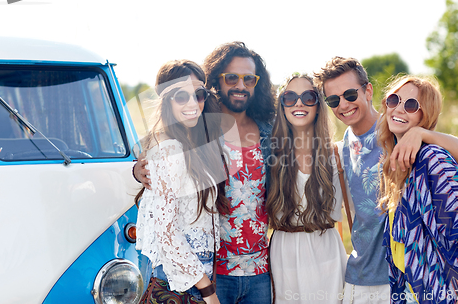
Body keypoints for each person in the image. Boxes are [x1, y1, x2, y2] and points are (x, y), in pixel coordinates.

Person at [314, 57, 458, 304]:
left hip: (405, 282)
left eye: (350, 94)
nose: (343, 105)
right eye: (333, 100)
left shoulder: (400, 130)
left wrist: (422, 133)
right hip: (357, 279)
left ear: (368, 90)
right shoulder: (340, 150)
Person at [134, 42, 276, 304]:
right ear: (216, 81)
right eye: (231, 77)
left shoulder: (268, 128)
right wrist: (137, 169)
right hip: (210, 275)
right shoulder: (200, 133)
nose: (240, 85)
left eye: (249, 79)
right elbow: (157, 153)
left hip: (258, 270)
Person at [377, 75, 458, 304]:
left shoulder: (433, 159)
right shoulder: (394, 165)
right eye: (394, 100)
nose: (399, 109)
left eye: (411, 105)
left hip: (449, 293)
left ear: (424, 115)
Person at [135, 60, 227, 304]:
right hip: (182, 284)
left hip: (196, 277)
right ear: (166, 101)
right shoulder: (169, 149)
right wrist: (208, 291)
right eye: (181, 96)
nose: (192, 104)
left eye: (199, 95)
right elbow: (166, 232)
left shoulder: (193, 143)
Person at [266, 73, 346, 303]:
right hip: (284, 254)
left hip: (326, 252)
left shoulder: (336, 155)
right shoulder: (271, 154)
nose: (299, 103)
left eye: (308, 97)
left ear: (319, 106)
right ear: (282, 106)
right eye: (290, 97)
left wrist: (420, 133)